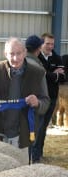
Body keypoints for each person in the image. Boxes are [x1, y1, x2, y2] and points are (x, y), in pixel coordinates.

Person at [0, 37, 50, 151]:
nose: (15, 58)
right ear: (5, 54)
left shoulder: (38, 73)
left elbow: (46, 103)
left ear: (25, 52)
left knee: (18, 168)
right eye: (11, 54)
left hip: (22, 138)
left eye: (19, 53)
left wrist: (38, 103)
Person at [32, 33, 66, 162]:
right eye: (48, 44)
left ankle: (39, 154)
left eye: (52, 44)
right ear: (41, 44)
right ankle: (34, 157)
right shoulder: (36, 57)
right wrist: (53, 75)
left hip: (51, 98)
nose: (50, 46)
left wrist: (47, 74)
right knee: (37, 127)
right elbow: (37, 75)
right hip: (37, 98)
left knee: (44, 127)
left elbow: (63, 78)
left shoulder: (57, 58)